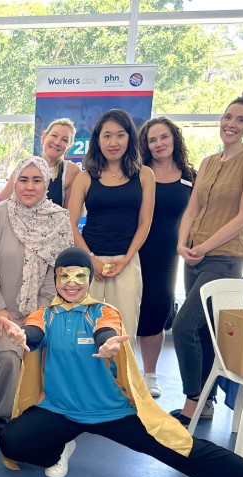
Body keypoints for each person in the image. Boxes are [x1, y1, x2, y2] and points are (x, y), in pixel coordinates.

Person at [0, 247, 243, 477]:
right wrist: (24, 334)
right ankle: (60, 447)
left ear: (89, 279)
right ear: (56, 279)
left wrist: (108, 342)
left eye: (80, 276)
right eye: (65, 276)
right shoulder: (45, 315)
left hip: (112, 412)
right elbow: (33, 335)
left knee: (180, 447)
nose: (72, 283)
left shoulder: (104, 311)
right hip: (60, 409)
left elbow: (107, 329)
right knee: (12, 442)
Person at [170, 91, 243, 424]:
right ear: (221, 121)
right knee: (202, 331)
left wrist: (206, 246)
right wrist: (182, 243)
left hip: (224, 258)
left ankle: (192, 401)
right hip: (193, 254)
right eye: (228, 117)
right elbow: (193, 207)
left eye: (240, 120)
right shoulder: (209, 162)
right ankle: (205, 400)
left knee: (184, 326)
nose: (232, 124)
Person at [0, 156, 73, 435]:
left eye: (37, 180)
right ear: (14, 182)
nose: (29, 187)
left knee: (57, 352)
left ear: (47, 184)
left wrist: (38, 313)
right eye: (23, 180)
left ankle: (39, 414)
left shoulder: (58, 220)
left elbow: (60, 274)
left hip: (40, 310)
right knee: (7, 356)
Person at [67, 108, 155, 345]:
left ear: (130, 138)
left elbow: (145, 223)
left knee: (123, 332)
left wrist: (126, 259)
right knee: (84, 332)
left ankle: (121, 383)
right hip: (90, 263)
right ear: (97, 139)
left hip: (126, 261)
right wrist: (91, 260)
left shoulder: (144, 175)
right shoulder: (85, 177)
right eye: (107, 136)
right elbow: (71, 225)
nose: (113, 142)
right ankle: (85, 383)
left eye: (120, 135)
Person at [136, 118, 196, 398]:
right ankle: (117, 372)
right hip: (134, 252)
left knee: (156, 312)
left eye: (164, 138)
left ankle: (149, 374)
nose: (159, 144)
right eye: (152, 139)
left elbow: (198, 215)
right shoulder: (136, 173)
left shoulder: (190, 176)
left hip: (167, 257)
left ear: (175, 140)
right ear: (145, 145)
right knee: (125, 309)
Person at [0, 118, 81, 208]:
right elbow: (0, 203)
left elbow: (70, 216)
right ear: (43, 137)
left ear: (69, 147)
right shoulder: (24, 166)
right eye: (54, 135)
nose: (57, 142)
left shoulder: (71, 171)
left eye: (65, 140)